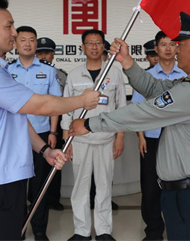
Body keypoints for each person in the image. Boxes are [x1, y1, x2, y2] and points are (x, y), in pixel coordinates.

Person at [69, 12, 190, 241]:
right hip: (184, 193)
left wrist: (89, 124)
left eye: (181, 45)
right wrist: (127, 61)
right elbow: (155, 88)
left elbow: (144, 112)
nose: (176, 50)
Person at [0, 0, 99, 241]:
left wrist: (44, 150)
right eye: (8, 26)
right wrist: (82, 100)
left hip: (5, 177)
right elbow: (40, 105)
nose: (14, 33)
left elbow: (16, 118)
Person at [62, 29, 126, 241]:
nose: (94, 47)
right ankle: (81, 231)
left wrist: (120, 137)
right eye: (90, 43)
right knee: (80, 188)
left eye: (98, 43)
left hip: (106, 140)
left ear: (103, 46)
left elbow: (121, 108)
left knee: (104, 187)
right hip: (79, 141)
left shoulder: (114, 72)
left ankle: (104, 231)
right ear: (83, 47)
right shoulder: (73, 75)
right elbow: (67, 109)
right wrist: (67, 140)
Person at [8, 26, 63, 241]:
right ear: (16, 43)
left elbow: (55, 104)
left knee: (40, 185)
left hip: (41, 135)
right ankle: (19, 228)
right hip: (14, 136)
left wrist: (53, 131)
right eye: (23, 40)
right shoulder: (7, 69)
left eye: (32, 40)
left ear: (36, 44)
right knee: (17, 184)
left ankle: (40, 229)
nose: (28, 43)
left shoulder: (49, 70)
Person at [131, 31, 185, 241]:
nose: (168, 48)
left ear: (178, 48)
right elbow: (137, 109)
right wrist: (141, 137)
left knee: (177, 184)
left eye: (172, 44)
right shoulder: (147, 77)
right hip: (152, 138)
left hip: (179, 138)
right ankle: (153, 231)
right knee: (151, 186)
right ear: (156, 48)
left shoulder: (185, 75)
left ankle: (176, 228)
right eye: (164, 44)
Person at [36, 37, 67, 211]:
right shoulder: (29, 72)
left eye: (47, 52)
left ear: (53, 55)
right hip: (35, 123)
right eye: (39, 52)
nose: (43, 56)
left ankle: (53, 199)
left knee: (55, 162)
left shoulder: (61, 75)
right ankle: (33, 199)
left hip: (56, 123)